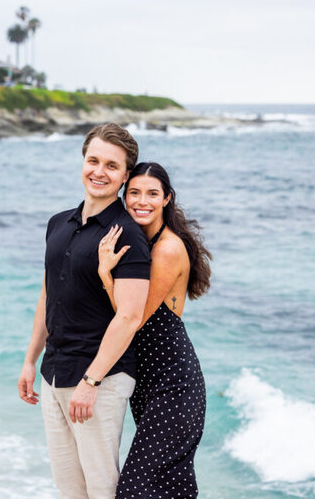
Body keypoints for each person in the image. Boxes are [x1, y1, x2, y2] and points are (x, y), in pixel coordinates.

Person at [18, 123, 151, 498]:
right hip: (54, 372)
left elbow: (129, 317)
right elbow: (47, 295)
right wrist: (30, 360)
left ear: (125, 176)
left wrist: (91, 382)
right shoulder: (58, 223)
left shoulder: (127, 234)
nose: (99, 171)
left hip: (101, 379)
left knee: (102, 486)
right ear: (82, 162)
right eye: (93, 160)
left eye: (112, 165)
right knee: (69, 487)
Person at [97, 162, 211, 498]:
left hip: (174, 385)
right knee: (167, 488)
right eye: (134, 193)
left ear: (166, 198)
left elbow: (132, 317)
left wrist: (105, 275)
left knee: (135, 490)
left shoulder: (167, 249)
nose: (142, 201)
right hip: (149, 384)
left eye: (152, 193)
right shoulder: (139, 244)